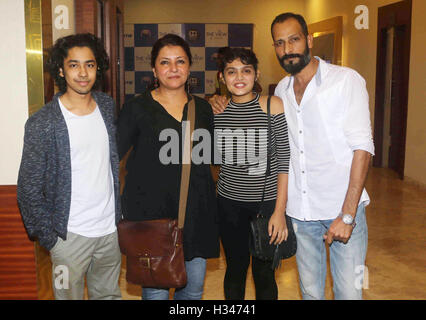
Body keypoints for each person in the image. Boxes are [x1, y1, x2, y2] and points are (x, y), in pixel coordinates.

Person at [210, 12, 374, 300]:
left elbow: (363, 147)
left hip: (340, 208)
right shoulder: (283, 90)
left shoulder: (346, 81)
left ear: (308, 40)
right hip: (301, 212)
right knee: (310, 292)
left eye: (294, 40)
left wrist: (347, 215)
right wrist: (217, 100)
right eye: (280, 43)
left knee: (349, 292)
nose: (287, 49)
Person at [17, 33, 122, 300]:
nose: (83, 73)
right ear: (61, 70)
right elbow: (28, 188)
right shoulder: (43, 122)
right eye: (74, 65)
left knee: (109, 296)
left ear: (98, 68)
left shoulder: (107, 108)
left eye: (89, 64)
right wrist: (51, 240)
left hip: (109, 232)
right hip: (69, 237)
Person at [117, 33, 220, 300]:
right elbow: (111, 157)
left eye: (180, 61)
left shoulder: (204, 110)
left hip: (195, 219)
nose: (173, 69)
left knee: (193, 293)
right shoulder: (136, 108)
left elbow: (213, 159)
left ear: (189, 67)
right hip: (152, 223)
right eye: (165, 62)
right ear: (154, 69)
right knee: (155, 295)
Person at [214, 47, 290, 300]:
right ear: (222, 78)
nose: (239, 77)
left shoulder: (272, 105)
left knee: (264, 273)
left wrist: (279, 211)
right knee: (235, 269)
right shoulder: (216, 112)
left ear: (256, 74)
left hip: (265, 205)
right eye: (231, 71)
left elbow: (283, 161)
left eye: (246, 71)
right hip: (228, 204)